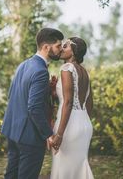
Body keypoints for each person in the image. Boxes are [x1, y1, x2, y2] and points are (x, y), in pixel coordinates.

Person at [1, 28, 64, 179]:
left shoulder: (24, 64)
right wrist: (48, 134)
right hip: (30, 136)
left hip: (13, 131)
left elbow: (13, 94)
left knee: (11, 175)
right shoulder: (41, 71)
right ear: (46, 47)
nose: (60, 49)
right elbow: (34, 107)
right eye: (58, 46)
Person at [50, 37, 94, 179]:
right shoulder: (85, 72)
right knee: (79, 167)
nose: (62, 48)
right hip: (85, 124)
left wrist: (59, 135)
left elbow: (68, 102)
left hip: (69, 126)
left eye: (66, 46)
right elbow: (89, 103)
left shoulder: (66, 68)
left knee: (64, 168)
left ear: (74, 51)